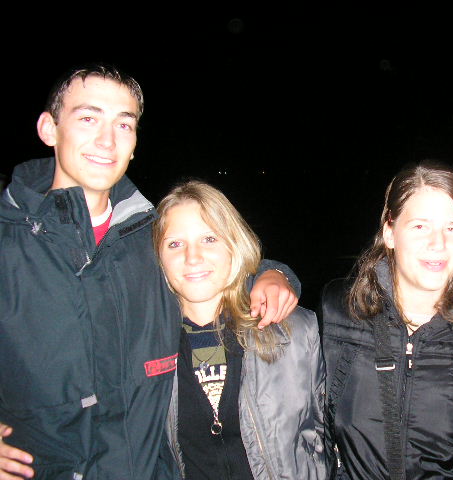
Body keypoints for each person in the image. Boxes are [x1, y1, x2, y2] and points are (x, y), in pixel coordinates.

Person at [0, 65, 298, 480]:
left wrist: (273, 274)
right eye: (88, 118)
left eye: (124, 124)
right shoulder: (8, 246)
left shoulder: (149, 243)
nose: (107, 140)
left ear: (135, 142)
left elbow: (210, 272)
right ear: (49, 128)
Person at [322, 162, 453, 479]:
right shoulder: (338, 311)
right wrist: (276, 274)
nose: (438, 243)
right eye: (420, 226)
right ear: (389, 233)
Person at [153, 180, 327, 479]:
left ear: (234, 245)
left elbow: (329, 433)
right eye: (175, 243)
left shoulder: (294, 331)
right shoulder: (141, 345)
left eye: (209, 238)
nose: (192, 257)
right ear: (157, 256)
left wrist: (274, 272)